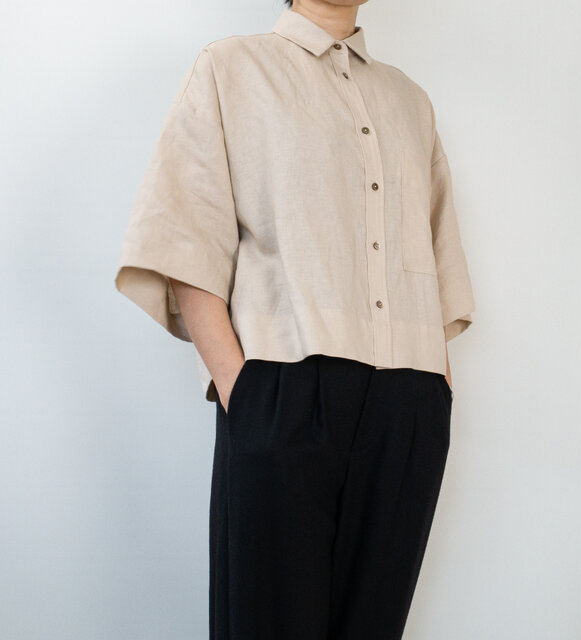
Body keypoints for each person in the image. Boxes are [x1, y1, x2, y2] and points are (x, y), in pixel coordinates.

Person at [114, 1, 475, 638]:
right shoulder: (231, 68)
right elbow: (184, 238)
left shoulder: (409, 100)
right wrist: (244, 393)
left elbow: (434, 254)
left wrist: (435, 387)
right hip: (284, 389)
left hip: (408, 401)